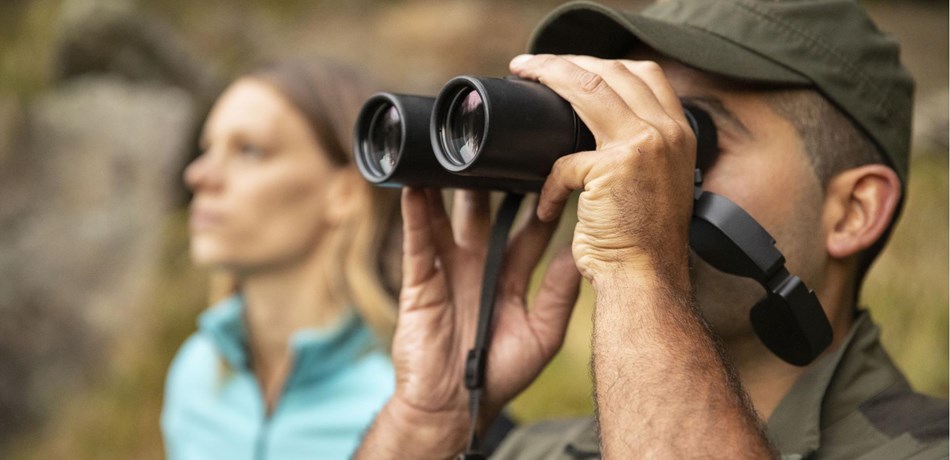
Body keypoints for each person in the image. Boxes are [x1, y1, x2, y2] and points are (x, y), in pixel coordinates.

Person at [354, 1, 949, 459]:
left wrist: (637, 268)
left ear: (853, 210)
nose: (635, 160)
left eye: (687, 133)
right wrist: (431, 418)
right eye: (621, 124)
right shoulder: (536, 450)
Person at [161, 59, 402, 459]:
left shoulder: (406, 402)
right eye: (208, 149)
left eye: (249, 150)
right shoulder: (195, 372)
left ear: (346, 193)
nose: (199, 175)